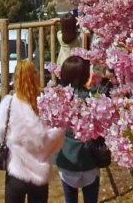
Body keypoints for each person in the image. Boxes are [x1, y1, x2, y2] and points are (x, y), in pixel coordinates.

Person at [0, 61, 64, 203]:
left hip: (16, 169)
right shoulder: (45, 104)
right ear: (35, 77)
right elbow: (55, 136)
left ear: (16, 79)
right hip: (40, 173)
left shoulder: (9, 103)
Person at [53, 56, 101, 203]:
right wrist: (93, 85)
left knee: (70, 200)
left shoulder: (57, 98)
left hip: (67, 159)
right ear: (85, 75)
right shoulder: (92, 98)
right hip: (89, 160)